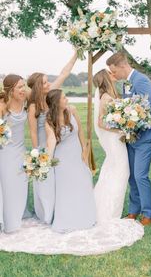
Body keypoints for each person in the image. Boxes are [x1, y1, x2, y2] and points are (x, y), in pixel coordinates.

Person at [106, 52, 151, 226]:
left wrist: (130, 121)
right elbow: (127, 106)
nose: (113, 74)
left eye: (114, 70)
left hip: (145, 136)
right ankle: (133, 210)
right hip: (131, 136)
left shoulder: (142, 80)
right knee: (132, 175)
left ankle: (148, 214)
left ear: (123, 66)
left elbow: (146, 109)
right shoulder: (127, 83)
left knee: (140, 175)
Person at [27, 51, 78, 224]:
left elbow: (64, 72)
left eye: (48, 81)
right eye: (45, 82)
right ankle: (45, 214)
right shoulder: (34, 106)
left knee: (58, 180)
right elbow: (33, 131)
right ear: (37, 87)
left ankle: (58, 211)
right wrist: (36, 155)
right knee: (45, 181)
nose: (48, 84)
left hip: (58, 144)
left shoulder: (51, 96)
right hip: (43, 146)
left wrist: (76, 53)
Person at [45, 89, 96, 232]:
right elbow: (51, 140)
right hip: (62, 159)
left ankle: (86, 217)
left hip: (77, 153)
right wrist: (46, 159)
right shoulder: (49, 120)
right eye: (63, 97)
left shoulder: (72, 110)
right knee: (66, 188)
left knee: (83, 181)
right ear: (56, 103)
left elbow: (80, 131)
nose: (66, 99)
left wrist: (85, 151)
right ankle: (68, 219)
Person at [93, 69, 130, 223]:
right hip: (114, 139)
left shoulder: (111, 95)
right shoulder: (106, 97)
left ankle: (105, 207)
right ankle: (110, 212)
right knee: (121, 171)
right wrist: (120, 129)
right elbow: (101, 123)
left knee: (112, 171)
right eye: (110, 72)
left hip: (116, 138)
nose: (113, 73)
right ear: (106, 78)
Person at [0, 74, 28, 233]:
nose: (23, 90)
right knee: (8, 185)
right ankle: (8, 222)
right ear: (11, 90)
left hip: (21, 150)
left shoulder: (25, 100)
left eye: (24, 86)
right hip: (5, 151)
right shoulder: (2, 105)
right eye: (19, 87)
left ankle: (17, 216)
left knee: (20, 184)